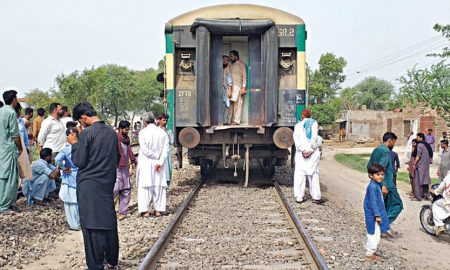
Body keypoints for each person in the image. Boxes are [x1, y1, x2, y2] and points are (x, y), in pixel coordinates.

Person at [69, 102, 120, 270]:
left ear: (84, 118)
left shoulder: (87, 134)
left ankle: (96, 264)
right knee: (107, 219)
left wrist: (75, 143)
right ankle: (111, 259)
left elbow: (79, 161)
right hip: (107, 182)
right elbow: (118, 157)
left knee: (91, 225)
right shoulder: (112, 132)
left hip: (89, 185)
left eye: (79, 121)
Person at [137, 112, 169, 218]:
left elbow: (144, 149)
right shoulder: (162, 132)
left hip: (146, 162)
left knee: (145, 187)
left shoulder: (142, 132)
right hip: (159, 163)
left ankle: (145, 211)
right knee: (159, 186)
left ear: (145, 122)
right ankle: (158, 210)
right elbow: (166, 149)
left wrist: (154, 156)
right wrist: (159, 161)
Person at [367, 132, 403, 225]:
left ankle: (380, 224)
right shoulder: (385, 151)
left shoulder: (376, 149)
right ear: (390, 141)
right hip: (387, 184)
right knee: (398, 205)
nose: (393, 144)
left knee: (384, 204)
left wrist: (373, 179)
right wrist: (384, 185)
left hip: (376, 182)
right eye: (393, 142)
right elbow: (381, 168)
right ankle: (384, 224)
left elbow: (369, 165)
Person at [293, 109, 322, 204]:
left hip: (301, 154)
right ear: (310, 115)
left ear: (302, 116)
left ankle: (299, 197)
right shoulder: (314, 123)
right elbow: (314, 138)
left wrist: (303, 150)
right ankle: (316, 197)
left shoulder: (297, 126)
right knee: (314, 174)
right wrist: (311, 150)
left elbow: (296, 140)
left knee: (300, 175)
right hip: (312, 154)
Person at [0, 90, 22, 213]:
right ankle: (4, 205)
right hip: (9, 149)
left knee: (3, 176)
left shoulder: (1, 111)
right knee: (11, 178)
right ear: (14, 99)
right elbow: (15, 134)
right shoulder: (11, 112)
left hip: (2, 148)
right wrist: (20, 147)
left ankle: (10, 202)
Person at [55, 122, 80, 230]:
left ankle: (73, 224)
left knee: (69, 203)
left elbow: (57, 160)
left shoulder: (65, 149)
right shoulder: (81, 147)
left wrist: (63, 167)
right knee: (78, 202)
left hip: (69, 176)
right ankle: (79, 222)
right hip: (79, 175)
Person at [364, 163, 390, 261]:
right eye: (378, 174)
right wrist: (377, 215)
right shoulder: (372, 187)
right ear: (371, 175)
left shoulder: (376, 185)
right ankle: (370, 253)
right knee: (374, 233)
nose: (381, 177)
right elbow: (373, 203)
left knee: (374, 232)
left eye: (382, 174)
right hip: (372, 214)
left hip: (373, 213)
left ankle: (370, 250)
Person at [114, 120, 137, 221]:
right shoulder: (114, 138)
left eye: (128, 130)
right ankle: (108, 210)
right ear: (120, 129)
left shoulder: (126, 139)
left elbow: (129, 150)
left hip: (125, 168)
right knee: (114, 189)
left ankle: (122, 211)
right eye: (126, 130)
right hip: (116, 168)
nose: (127, 132)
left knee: (126, 189)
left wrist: (132, 162)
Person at [225, 50, 247, 125]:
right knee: (229, 104)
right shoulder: (229, 65)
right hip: (230, 88)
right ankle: (228, 121)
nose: (230, 58)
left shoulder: (242, 64)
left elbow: (244, 77)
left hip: (239, 87)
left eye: (231, 56)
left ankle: (236, 121)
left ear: (236, 56)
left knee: (238, 105)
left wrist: (243, 87)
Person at [412, 133, 432, 200]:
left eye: (417, 137)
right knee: (425, 181)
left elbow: (418, 156)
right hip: (426, 166)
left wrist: (414, 163)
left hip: (420, 166)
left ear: (421, 138)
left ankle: (418, 197)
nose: (417, 138)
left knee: (417, 181)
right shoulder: (426, 145)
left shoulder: (420, 145)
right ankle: (426, 196)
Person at [15, 103, 32, 183]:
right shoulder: (10, 120)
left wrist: (27, 147)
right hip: (14, 148)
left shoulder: (21, 120)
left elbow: (24, 135)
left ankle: (22, 188)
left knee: (24, 171)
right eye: (19, 110)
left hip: (23, 148)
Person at [159, 113, 174, 188]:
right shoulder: (156, 131)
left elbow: (172, 141)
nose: (165, 122)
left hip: (167, 153)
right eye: (163, 120)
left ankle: (166, 186)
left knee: (168, 169)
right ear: (159, 121)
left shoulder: (169, 131)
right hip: (159, 153)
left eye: (166, 120)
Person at [222, 54, 232, 124]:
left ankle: (224, 121)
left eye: (227, 60)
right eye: (224, 59)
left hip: (225, 90)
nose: (225, 61)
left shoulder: (228, 68)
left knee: (226, 105)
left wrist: (229, 90)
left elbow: (230, 80)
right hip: (217, 90)